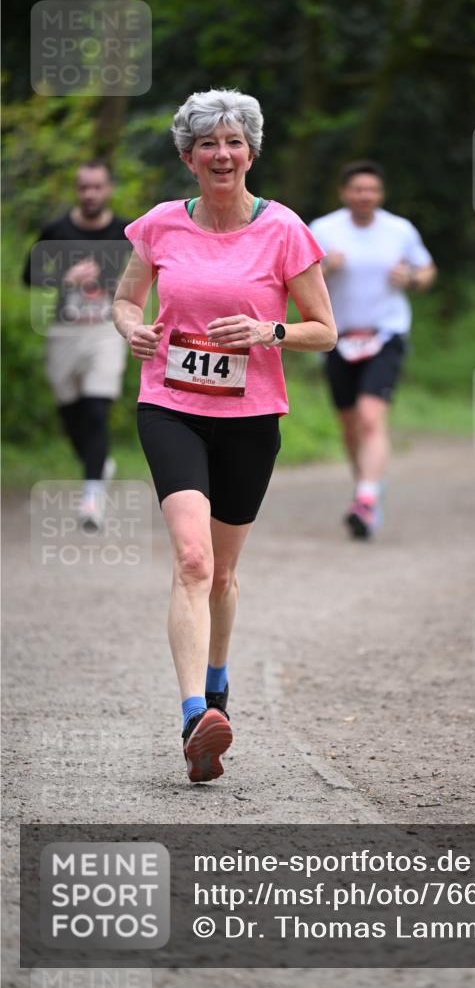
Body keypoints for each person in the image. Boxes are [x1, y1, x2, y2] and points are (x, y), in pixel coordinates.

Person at [112, 88, 336, 783]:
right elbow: (124, 299)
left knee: (225, 573)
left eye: (233, 142)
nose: (221, 153)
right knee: (192, 560)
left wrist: (269, 330)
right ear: (187, 155)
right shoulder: (158, 226)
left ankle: (216, 688)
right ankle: (190, 717)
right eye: (206, 143)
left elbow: (324, 330)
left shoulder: (284, 231)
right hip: (171, 406)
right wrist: (133, 330)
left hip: (249, 418)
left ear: (251, 153)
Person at [310, 161, 436, 540]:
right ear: (344, 193)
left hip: (386, 333)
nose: (365, 196)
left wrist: (411, 278)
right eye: (358, 189)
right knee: (350, 426)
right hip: (337, 336)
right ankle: (366, 489)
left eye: (372, 190)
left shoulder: (399, 230)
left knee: (369, 416)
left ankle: (364, 498)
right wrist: (324, 268)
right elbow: (298, 275)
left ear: (380, 195)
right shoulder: (323, 229)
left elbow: (428, 270)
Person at [23, 160, 130, 530]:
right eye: (83, 187)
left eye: (97, 187)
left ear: (108, 189)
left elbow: (151, 269)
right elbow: (28, 274)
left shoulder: (125, 231)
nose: (90, 194)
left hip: (105, 330)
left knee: (97, 409)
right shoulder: (57, 229)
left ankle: (91, 500)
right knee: (71, 413)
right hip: (65, 331)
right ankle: (97, 462)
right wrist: (61, 276)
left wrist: (126, 292)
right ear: (76, 189)